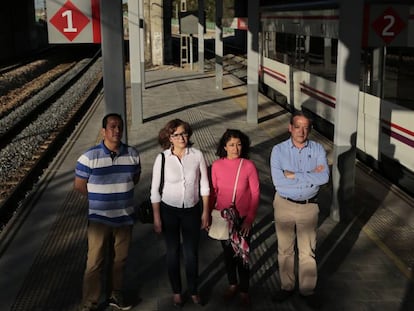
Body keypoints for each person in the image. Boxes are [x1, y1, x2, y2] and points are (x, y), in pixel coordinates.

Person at [74, 113, 141, 311]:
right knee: (94, 263)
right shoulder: (88, 158)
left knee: (120, 260)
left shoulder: (133, 154)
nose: (117, 130)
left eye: (119, 126)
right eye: (112, 126)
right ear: (103, 131)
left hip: (125, 217)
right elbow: (79, 186)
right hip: (99, 220)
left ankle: (115, 295)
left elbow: (134, 179)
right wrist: (101, 199)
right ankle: (89, 303)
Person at [270, 111, 329, 309]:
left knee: (307, 251)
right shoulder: (278, 151)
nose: (301, 131)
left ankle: (307, 290)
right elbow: (279, 181)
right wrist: (310, 175)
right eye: (298, 126)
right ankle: (287, 286)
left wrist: (293, 175)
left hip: (309, 207)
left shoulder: (318, 149)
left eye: (306, 127)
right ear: (290, 128)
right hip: (284, 204)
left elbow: (324, 178)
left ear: (310, 130)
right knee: (285, 250)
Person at [150, 118, 210, 307]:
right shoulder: (162, 159)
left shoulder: (197, 155)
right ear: (169, 137)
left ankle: (193, 290)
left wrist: (206, 212)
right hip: (169, 211)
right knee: (172, 252)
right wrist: (157, 218)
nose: (181, 137)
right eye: (176, 134)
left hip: (192, 210)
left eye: (184, 133)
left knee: (191, 253)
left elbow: (204, 186)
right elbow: (154, 191)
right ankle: (176, 291)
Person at [209, 129, 260, 306]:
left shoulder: (248, 166)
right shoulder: (216, 166)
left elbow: (255, 193)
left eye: (239, 144)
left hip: (243, 218)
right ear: (224, 146)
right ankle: (233, 284)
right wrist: (208, 216)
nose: (235, 148)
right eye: (231, 145)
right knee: (229, 254)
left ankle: (244, 289)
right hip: (224, 219)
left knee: (243, 255)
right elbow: (213, 192)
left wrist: (249, 219)